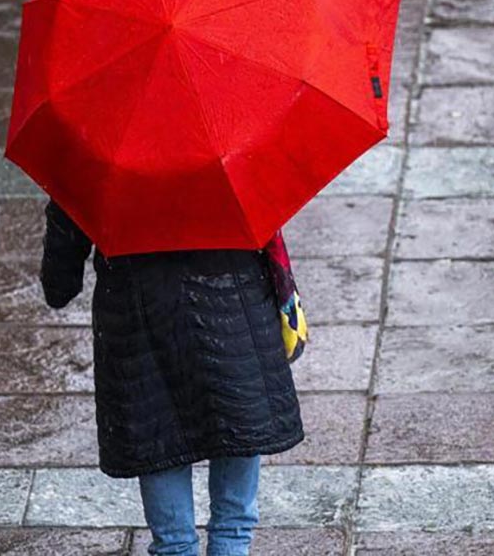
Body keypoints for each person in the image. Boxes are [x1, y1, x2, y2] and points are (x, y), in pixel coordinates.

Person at [39, 198, 305, 556]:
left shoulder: (95, 155)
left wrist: (60, 267)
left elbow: (60, 285)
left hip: (139, 326)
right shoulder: (234, 144)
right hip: (232, 310)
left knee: (160, 449)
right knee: (234, 517)